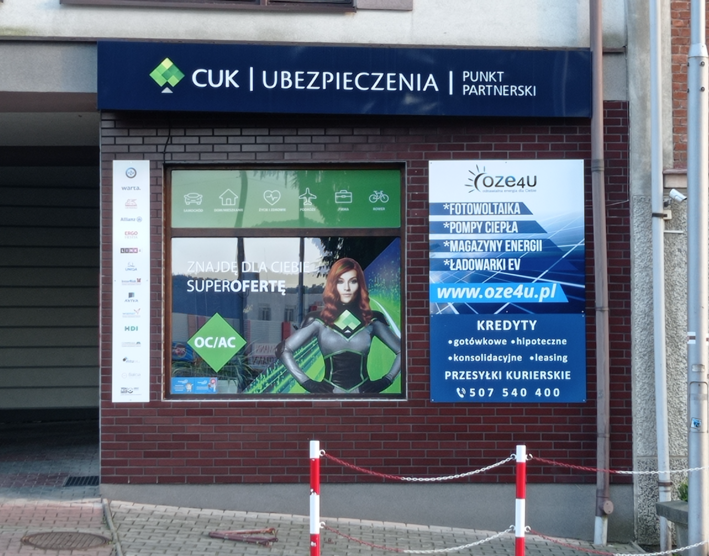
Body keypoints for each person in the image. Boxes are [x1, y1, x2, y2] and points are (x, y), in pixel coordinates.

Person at [276, 258, 401, 394]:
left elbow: (403, 351)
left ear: (360, 285)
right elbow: (282, 349)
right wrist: (309, 384)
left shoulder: (372, 320)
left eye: (353, 281)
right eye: (340, 281)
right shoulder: (318, 320)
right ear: (333, 285)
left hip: (363, 400)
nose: (347, 288)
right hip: (329, 400)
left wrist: (386, 380)